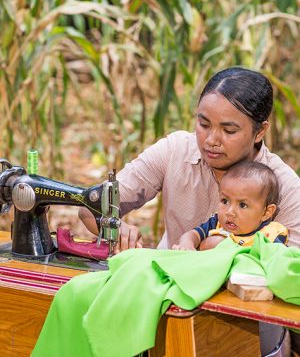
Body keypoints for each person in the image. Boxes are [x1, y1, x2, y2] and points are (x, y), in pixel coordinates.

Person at [79, 67, 300, 356]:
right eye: (204, 124)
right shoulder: (174, 152)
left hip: (248, 329)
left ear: (260, 131)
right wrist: (115, 227)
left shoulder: (284, 185)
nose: (211, 140)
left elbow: (291, 280)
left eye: (229, 130)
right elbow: (89, 207)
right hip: (163, 314)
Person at [172, 161, 288, 251]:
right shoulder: (216, 223)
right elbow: (194, 234)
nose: (230, 212)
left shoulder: (270, 235)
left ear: (266, 212)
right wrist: (186, 244)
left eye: (243, 205)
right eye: (225, 201)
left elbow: (277, 264)